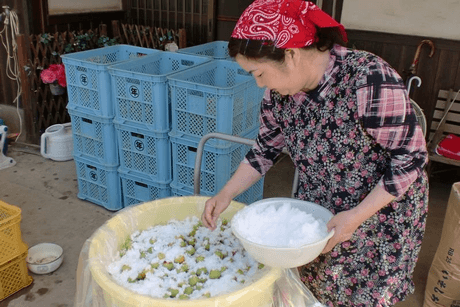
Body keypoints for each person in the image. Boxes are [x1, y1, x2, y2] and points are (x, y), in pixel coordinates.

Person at [201, 0, 429, 306]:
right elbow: (266, 148)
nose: (259, 84)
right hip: (319, 211)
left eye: (258, 73)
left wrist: (356, 217)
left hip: (377, 215)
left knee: (360, 295)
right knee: (316, 291)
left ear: (291, 55)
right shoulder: (278, 95)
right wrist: (226, 193)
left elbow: (411, 157)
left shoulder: (368, 80)